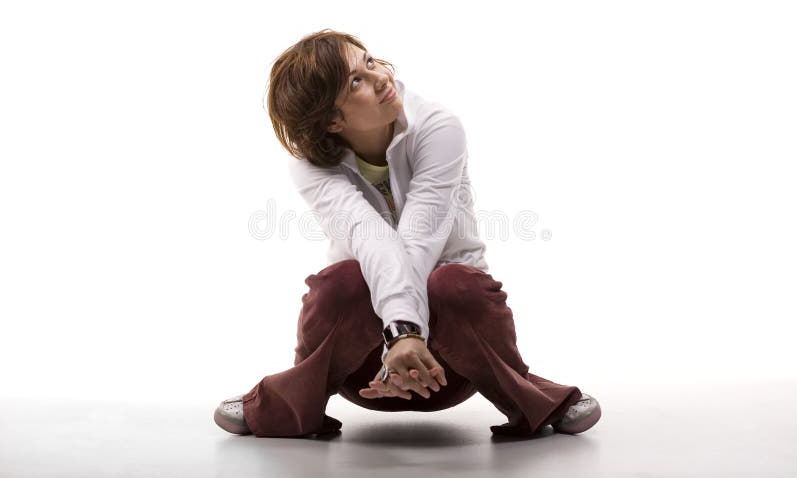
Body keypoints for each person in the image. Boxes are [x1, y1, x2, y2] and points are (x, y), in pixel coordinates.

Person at [213, 29, 601, 438]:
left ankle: (531, 400)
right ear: (331, 120)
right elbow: (371, 238)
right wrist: (398, 337)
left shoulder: (438, 127)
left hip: (453, 364)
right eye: (356, 81)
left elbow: (420, 235)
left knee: (454, 283)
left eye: (369, 61)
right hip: (366, 371)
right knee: (342, 282)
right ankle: (290, 404)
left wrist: (405, 336)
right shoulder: (310, 166)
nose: (381, 76)